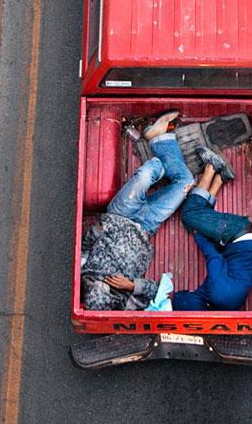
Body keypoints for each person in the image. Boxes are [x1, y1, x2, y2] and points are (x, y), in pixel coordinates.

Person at [81, 111, 193, 310]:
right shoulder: (126, 301)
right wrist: (132, 285)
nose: (101, 286)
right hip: (146, 225)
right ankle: (158, 138)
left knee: (149, 171)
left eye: (96, 287)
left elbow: (83, 247)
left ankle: (160, 153)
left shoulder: (85, 274)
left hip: (120, 214)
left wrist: (100, 228)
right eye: (105, 290)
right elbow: (158, 291)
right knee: (186, 183)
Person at [172, 147, 252, 311]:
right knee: (189, 215)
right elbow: (214, 258)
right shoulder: (216, 292)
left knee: (196, 221)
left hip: (239, 244)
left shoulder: (225, 307)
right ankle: (211, 167)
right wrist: (198, 236)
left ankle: (221, 177)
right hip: (236, 233)